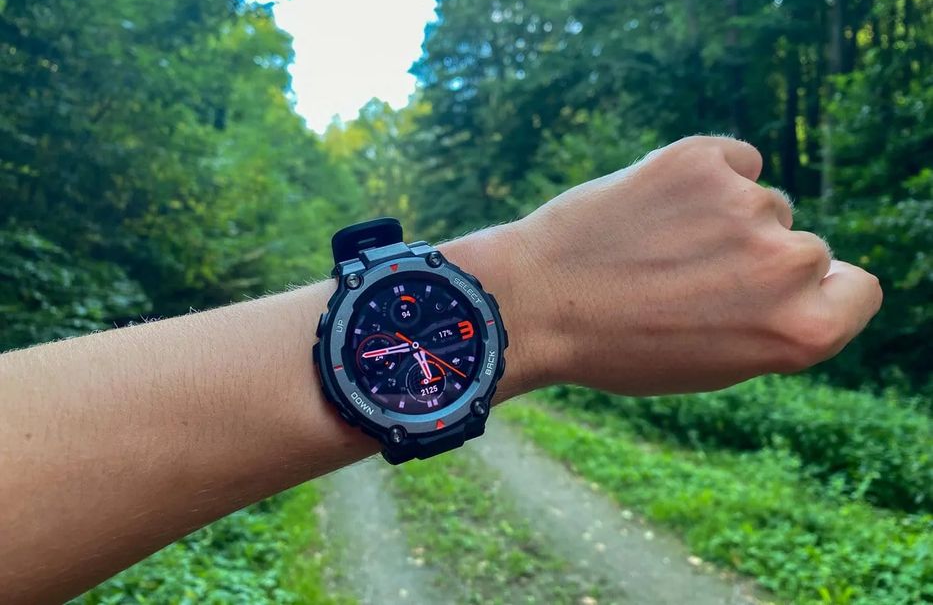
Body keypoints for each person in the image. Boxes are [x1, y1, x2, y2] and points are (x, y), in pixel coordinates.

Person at [0, 136, 882, 604]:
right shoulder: (395, 338)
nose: (418, 354)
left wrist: (531, 294)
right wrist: (537, 292)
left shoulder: (424, 334)